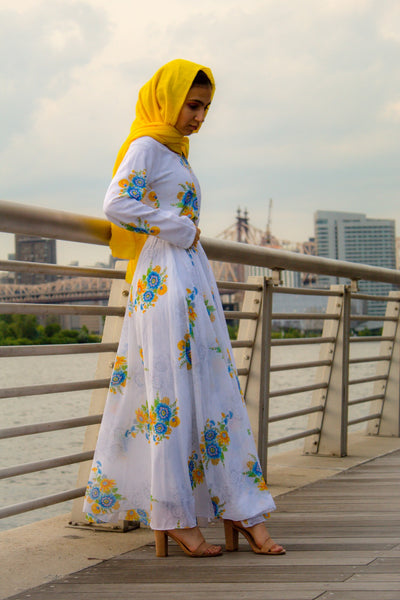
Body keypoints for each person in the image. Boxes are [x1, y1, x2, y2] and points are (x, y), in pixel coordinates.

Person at [83, 58, 285, 558]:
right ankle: (172, 513)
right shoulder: (147, 145)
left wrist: (179, 231)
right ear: (168, 99)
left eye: (205, 107)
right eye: (193, 105)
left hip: (192, 281)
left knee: (217, 394)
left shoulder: (176, 151)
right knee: (171, 397)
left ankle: (243, 506)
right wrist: (172, 226)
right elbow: (117, 203)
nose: (200, 116)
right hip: (165, 282)